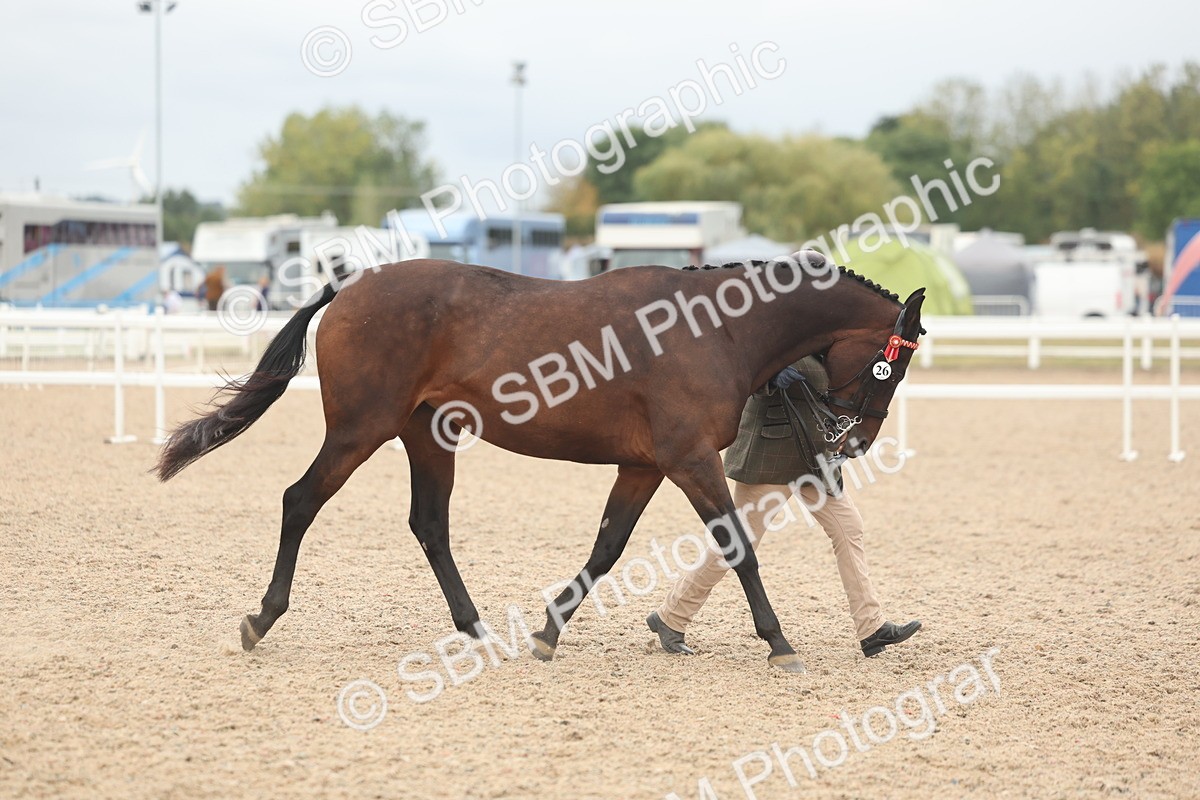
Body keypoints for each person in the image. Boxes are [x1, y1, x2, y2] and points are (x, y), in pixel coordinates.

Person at [647, 343, 921, 660]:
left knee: (849, 528)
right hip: (771, 453)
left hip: (813, 454)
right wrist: (767, 378)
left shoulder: (829, 338)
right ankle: (671, 617)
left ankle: (871, 627)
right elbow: (739, 366)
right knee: (738, 543)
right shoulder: (773, 325)